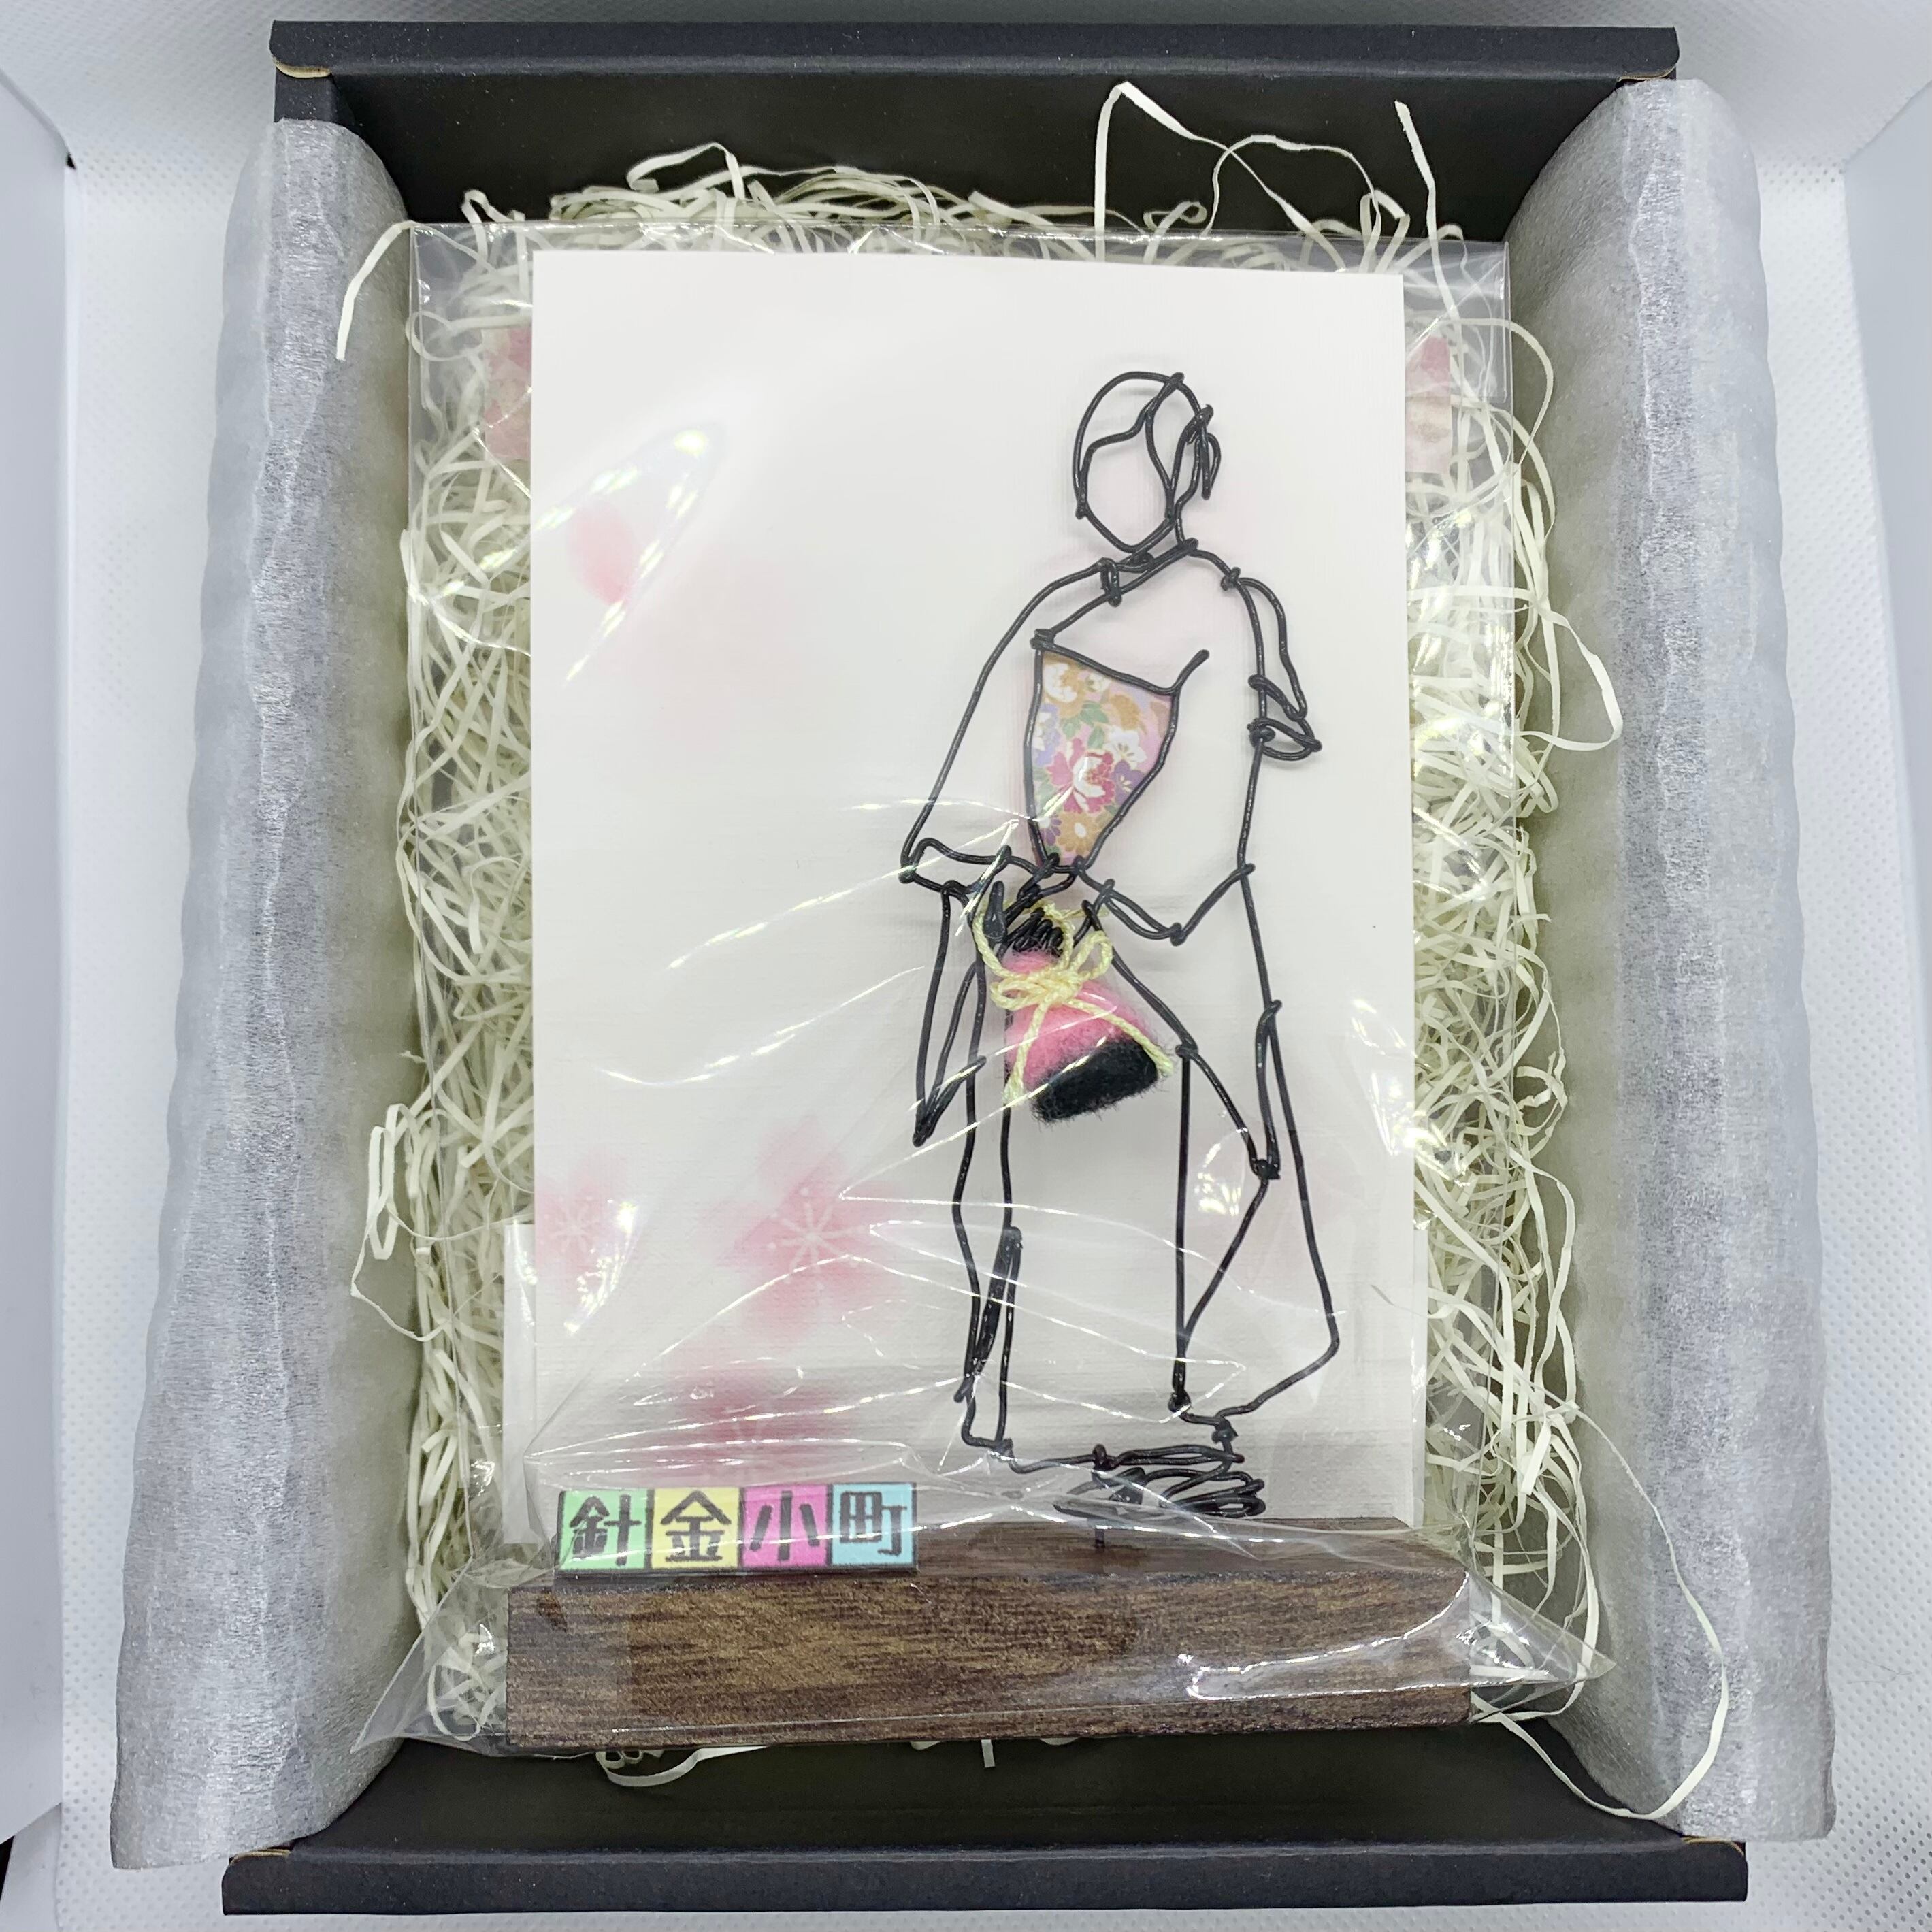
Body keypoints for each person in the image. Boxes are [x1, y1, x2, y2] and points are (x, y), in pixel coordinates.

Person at [898, 370, 1339, 1519]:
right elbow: (967, 793)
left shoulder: (1227, 610)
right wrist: (993, 873)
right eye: (1101, 462)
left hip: (1154, 937)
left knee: (1186, 1163)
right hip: (1045, 941)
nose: (1115, 485)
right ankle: (1018, 1411)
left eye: (1139, 458)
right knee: (1023, 1172)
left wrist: (1117, 900)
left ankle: (1164, 1412)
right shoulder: (1063, 604)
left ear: (1188, 472)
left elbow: (1218, 801)